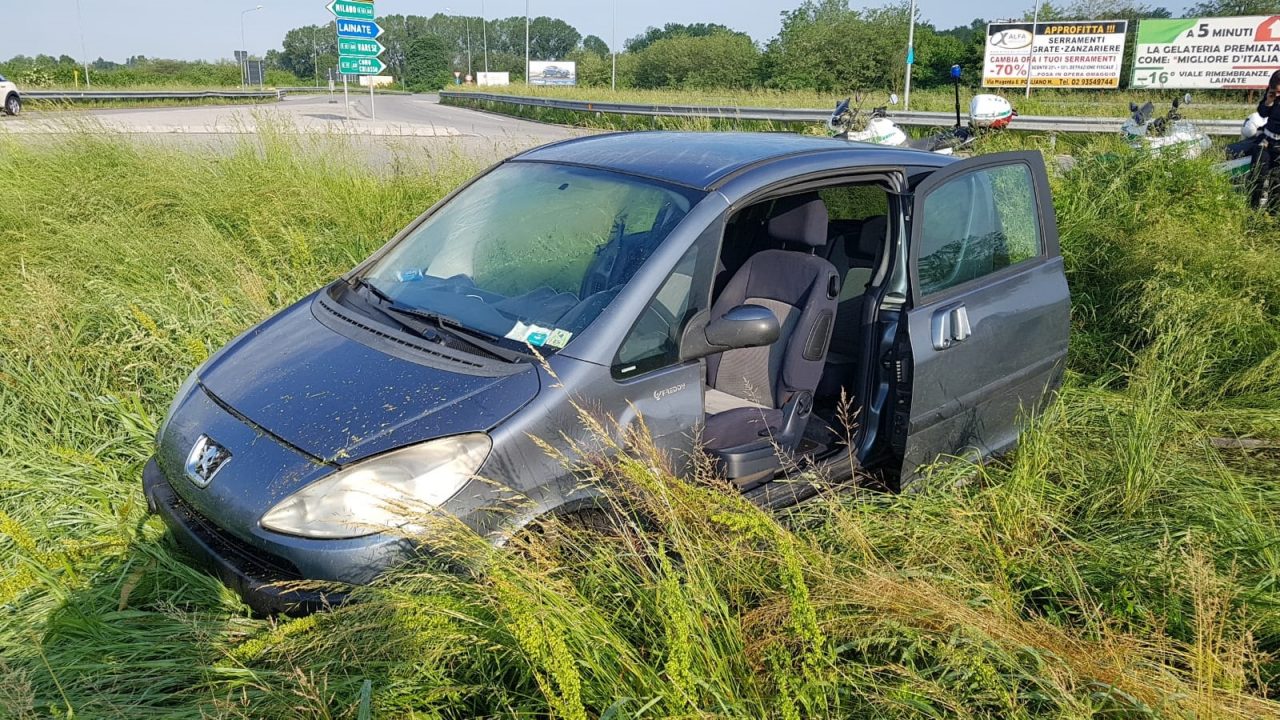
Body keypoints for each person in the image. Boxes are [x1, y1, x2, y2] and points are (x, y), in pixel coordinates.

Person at [1252, 69, 1280, 209]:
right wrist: (1269, 100)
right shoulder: (1271, 92)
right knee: (1258, 174)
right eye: (1276, 91)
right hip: (1267, 139)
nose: (1278, 94)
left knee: (1276, 182)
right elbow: (1262, 112)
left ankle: (1272, 214)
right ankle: (1253, 209)